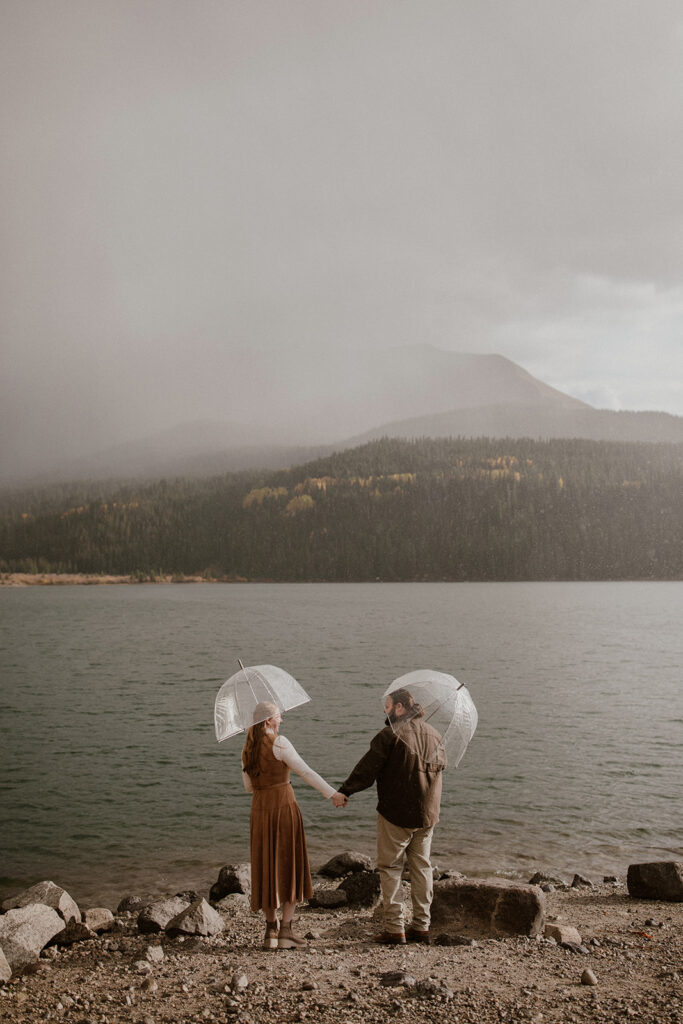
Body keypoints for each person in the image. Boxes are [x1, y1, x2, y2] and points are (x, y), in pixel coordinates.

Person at [336, 688, 446, 945]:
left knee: (391, 868)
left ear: (399, 707)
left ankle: (395, 929)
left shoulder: (390, 735)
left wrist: (345, 791)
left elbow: (366, 770)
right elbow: (438, 770)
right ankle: (422, 926)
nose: (384, 710)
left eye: (387, 706)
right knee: (422, 867)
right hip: (427, 814)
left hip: (396, 813)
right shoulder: (435, 735)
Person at [242, 701, 346, 949]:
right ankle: (286, 932)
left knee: (267, 867)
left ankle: (270, 931)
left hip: (260, 811)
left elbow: (248, 787)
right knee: (290, 865)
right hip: (283, 807)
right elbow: (305, 772)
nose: (282, 719)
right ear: (268, 720)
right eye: (278, 716)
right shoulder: (280, 743)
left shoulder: (247, 749)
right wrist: (333, 794)